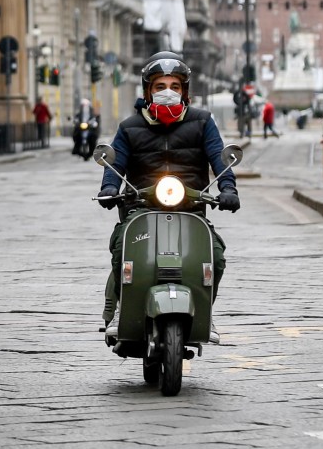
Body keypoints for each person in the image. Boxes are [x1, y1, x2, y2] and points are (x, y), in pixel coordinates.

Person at [97, 51, 240, 336]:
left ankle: (204, 311)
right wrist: (109, 188)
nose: (168, 92)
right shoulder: (129, 127)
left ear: (185, 91)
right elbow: (115, 163)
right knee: (120, 249)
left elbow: (219, 157)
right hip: (141, 208)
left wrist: (228, 189)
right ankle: (119, 310)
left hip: (191, 206)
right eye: (160, 86)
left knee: (216, 256)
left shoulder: (202, 121)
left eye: (175, 87)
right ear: (148, 90)